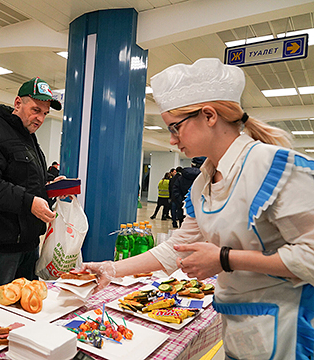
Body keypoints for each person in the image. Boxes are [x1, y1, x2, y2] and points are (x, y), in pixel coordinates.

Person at [83, 58, 314, 359]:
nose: (171, 139)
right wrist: (112, 269)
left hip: (287, 329)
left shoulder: (272, 166)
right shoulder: (202, 182)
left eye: (175, 128)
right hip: (239, 324)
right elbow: (178, 246)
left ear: (208, 115)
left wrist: (225, 258)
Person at [0, 77, 62, 299]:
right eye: (36, 110)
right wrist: (29, 202)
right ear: (18, 103)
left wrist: (50, 186)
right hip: (1, 247)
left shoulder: (28, 139)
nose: (40, 118)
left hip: (28, 242)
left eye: (45, 113)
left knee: (26, 307)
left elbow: (26, 180)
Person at [172, 157, 204, 227]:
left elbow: (175, 191)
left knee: (183, 229)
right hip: (200, 212)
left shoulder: (181, 178)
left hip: (183, 209)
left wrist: (182, 202)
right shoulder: (205, 178)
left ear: (191, 165)